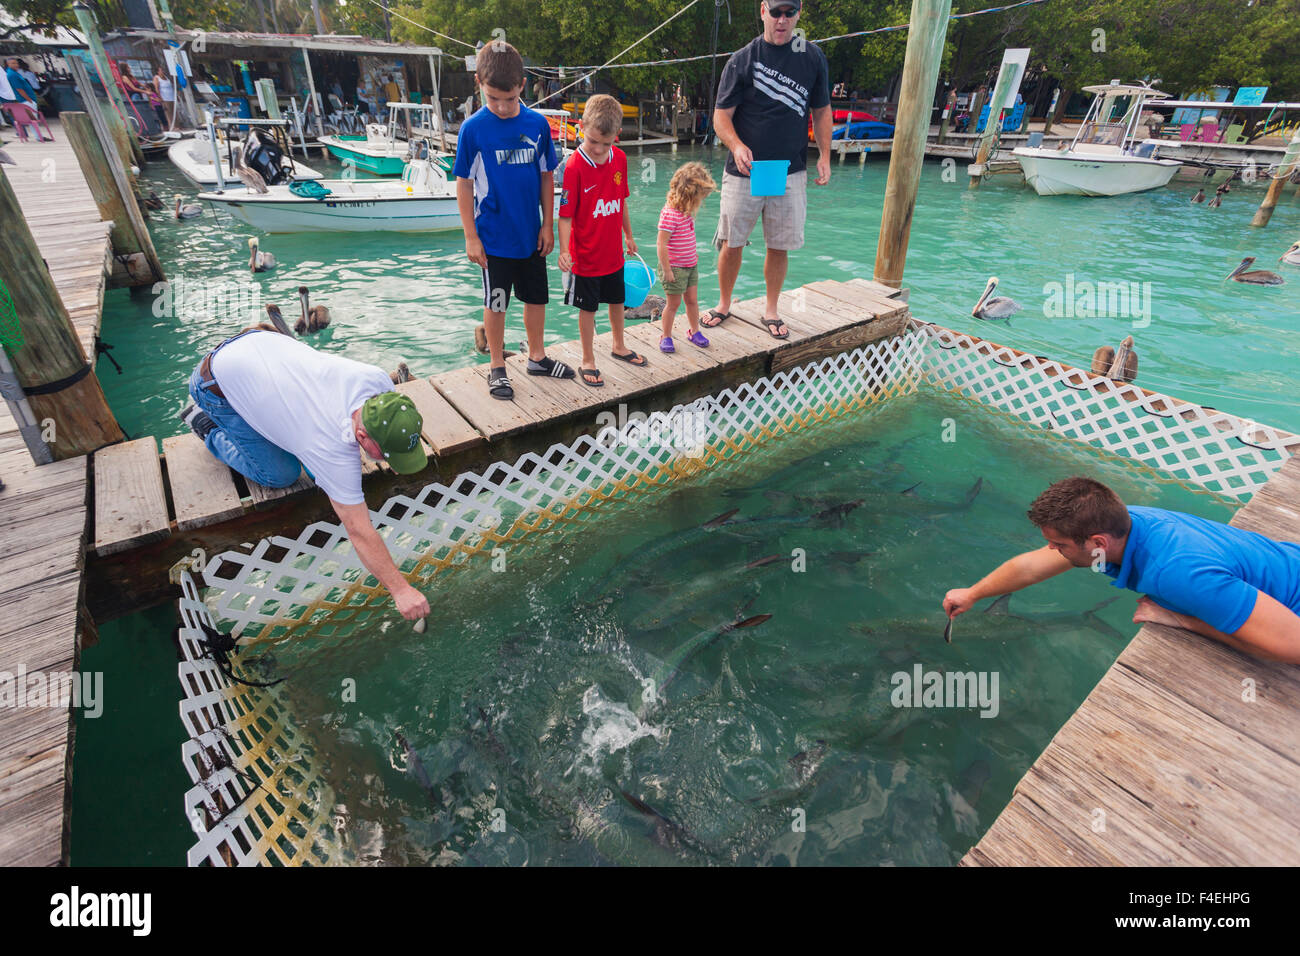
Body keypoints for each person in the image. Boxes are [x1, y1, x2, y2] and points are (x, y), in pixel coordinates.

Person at [179, 327, 432, 621]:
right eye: (386, 454)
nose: (389, 463)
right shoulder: (325, 445)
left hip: (262, 347)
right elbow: (358, 530)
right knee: (280, 474)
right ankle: (205, 425)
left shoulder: (377, 382)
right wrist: (401, 590)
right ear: (362, 436)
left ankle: (269, 421)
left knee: (313, 467)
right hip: (215, 383)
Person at [942, 476, 1300, 664]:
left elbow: (1293, 646)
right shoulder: (1130, 521)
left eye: (1060, 545)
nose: (1052, 550)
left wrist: (1182, 620)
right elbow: (1034, 565)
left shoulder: (1178, 573)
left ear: (1097, 542)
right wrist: (973, 593)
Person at [703, 0, 832, 340]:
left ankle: (771, 310)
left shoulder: (813, 57)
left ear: (799, 14)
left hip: (789, 170)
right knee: (732, 243)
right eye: (776, 12)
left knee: (780, 245)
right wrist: (736, 145)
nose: (782, 20)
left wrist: (825, 155)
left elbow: (821, 111)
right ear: (763, 11)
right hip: (743, 170)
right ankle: (723, 304)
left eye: (790, 13)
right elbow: (721, 117)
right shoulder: (742, 59)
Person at [453, 40, 569, 401]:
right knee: (497, 301)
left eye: (509, 98)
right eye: (493, 99)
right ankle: (498, 366)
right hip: (494, 239)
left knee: (537, 298)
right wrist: (471, 236)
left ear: (522, 84)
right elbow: (464, 183)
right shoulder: (472, 130)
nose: (502, 107)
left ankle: (537, 357)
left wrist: (548, 224)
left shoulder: (537, 124)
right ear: (479, 84)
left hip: (531, 234)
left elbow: (548, 176)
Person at [556, 94, 646, 387]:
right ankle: (587, 358)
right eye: (593, 141)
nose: (598, 149)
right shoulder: (573, 167)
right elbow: (566, 216)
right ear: (581, 127)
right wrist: (564, 251)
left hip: (614, 254)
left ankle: (618, 345)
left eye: (605, 143)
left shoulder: (619, 159)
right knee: (588, 308)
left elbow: (621, 202)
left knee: (618, 301)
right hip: (585, 257)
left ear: (616, 137)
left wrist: (629, 236)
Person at [655, 161, 717, 352]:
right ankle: (665, 335)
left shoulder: (686, 211)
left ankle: (694, 330)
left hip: (691, 265)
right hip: (674, 267)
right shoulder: (670, 214)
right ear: (689, 195)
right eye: (699, 198)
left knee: (692, 300)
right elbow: (661, 244)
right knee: (673, 304)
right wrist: (667, 270)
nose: (701, 203)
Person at [153, 64, 176, 130]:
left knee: (174, 111)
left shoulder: (166, 77)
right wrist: (160, 97)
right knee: (168, 113)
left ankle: (177, 126)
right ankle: (172, 127)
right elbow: (156, 88)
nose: (163, 71)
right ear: (158, 71)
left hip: (171, 97)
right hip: (165, 97)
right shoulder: (156, 78)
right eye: (161, 70)